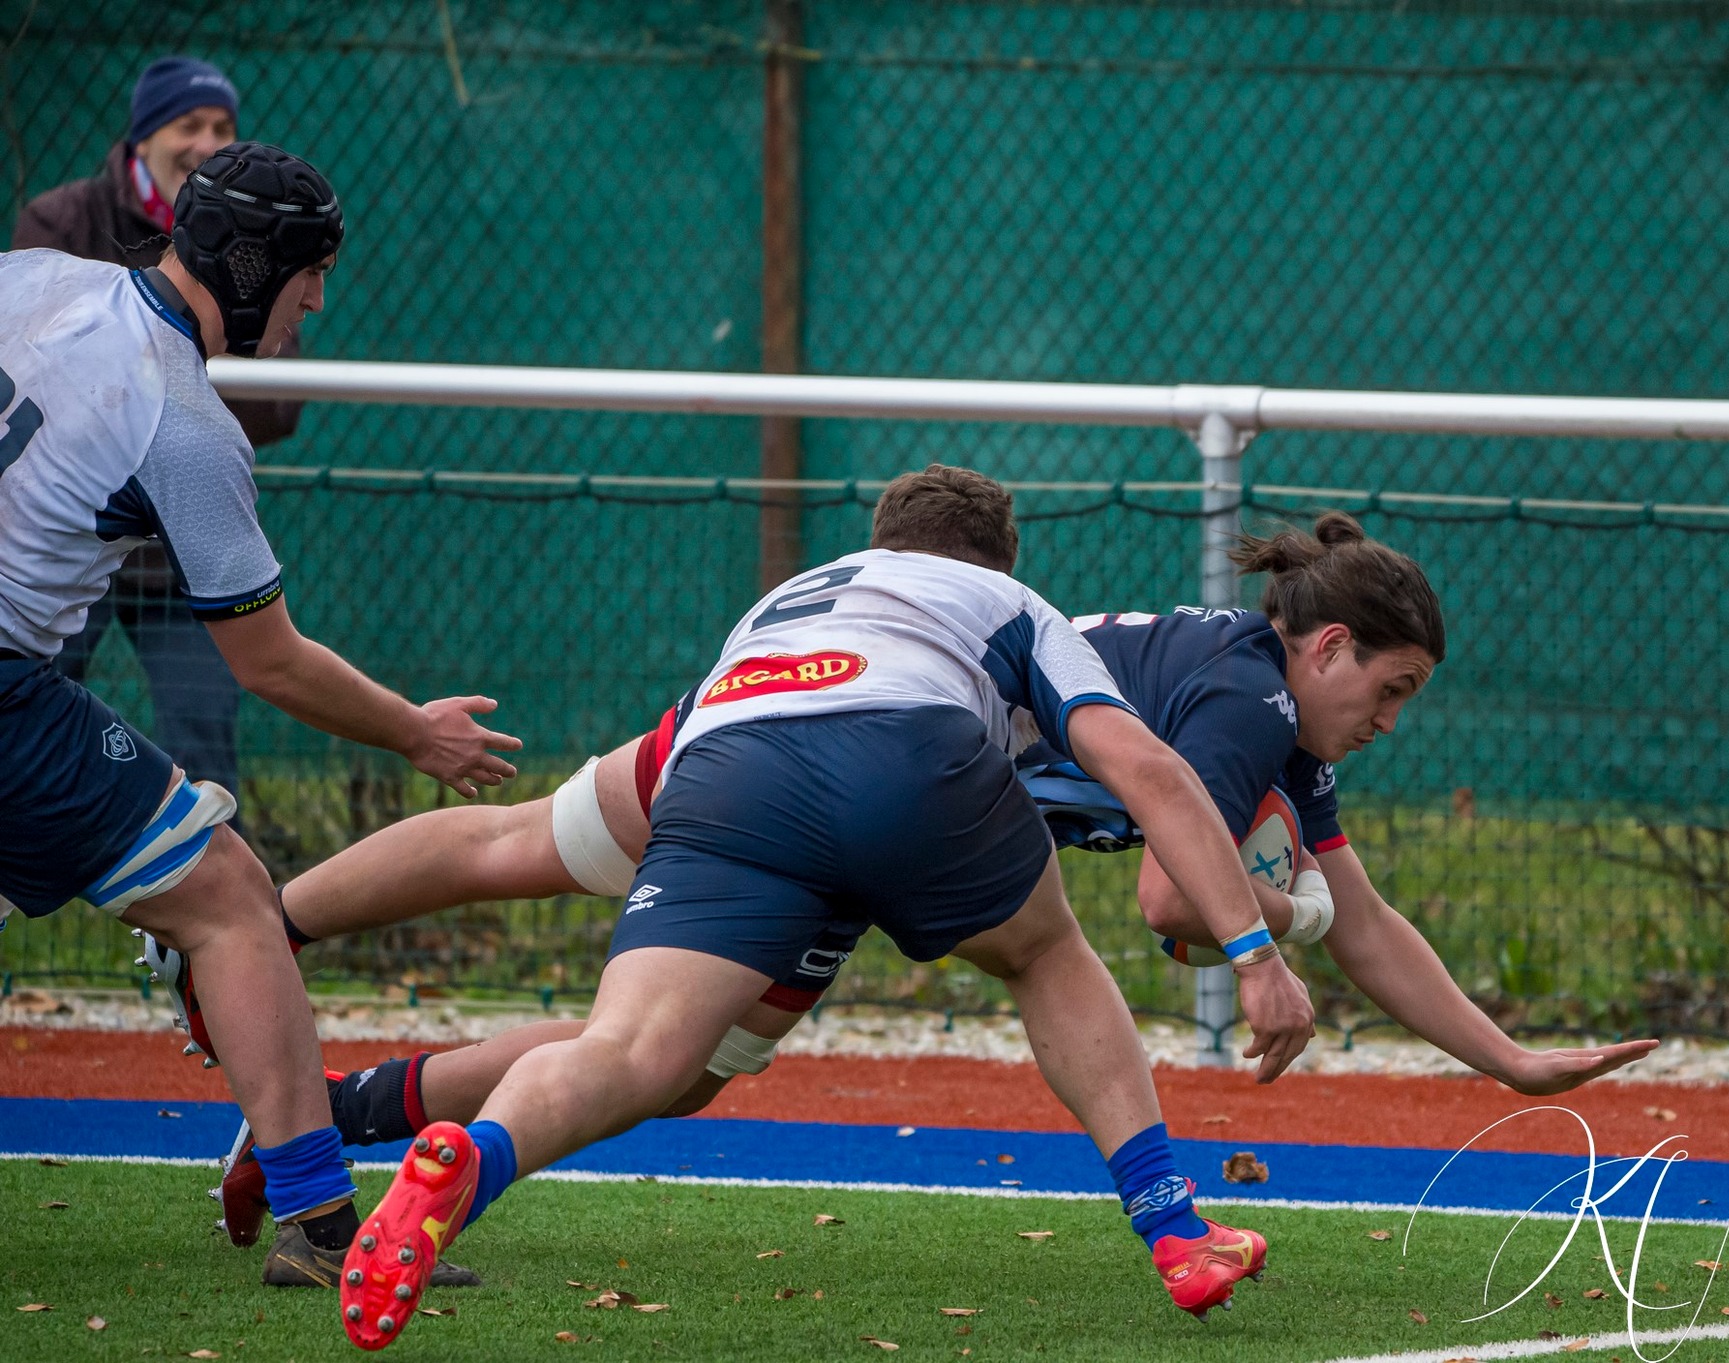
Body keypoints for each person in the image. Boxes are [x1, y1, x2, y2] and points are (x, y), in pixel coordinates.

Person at [204, 515, 1656, 1249]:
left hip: (751, 726)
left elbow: (1374, 918)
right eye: (1389, 690)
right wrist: (1290, 917)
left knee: (524, 854)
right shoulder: (1247, 701)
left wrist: (1511, 1060)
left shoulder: (1249, 703)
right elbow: (1171, 897)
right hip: (889, 783)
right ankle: (292, 1028)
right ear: (1325, 648)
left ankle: (279, 986)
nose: (1387, 723)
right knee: (673, 1059)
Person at [334, 465, 1315, 1348]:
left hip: (722, 770)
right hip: (906, 751)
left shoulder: (780, 604)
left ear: (880, 543)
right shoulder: (1009, 600)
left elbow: (714, 752)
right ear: (996, 558)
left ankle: (479, 1156)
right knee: (1043, 951)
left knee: (632, 1052)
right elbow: (1142, 764)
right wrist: (1254, 956)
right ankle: (1175, 1228)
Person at [0, 141, 517, 1289]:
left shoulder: (28, 277)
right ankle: (323, 1228)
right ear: (250, 265)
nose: (318, 301)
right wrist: (414, 731)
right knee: (232, 896)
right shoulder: (183, 421)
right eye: (310, 272)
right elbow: (270, 662)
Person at [13, 56, 303, 808]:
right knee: (29, 710)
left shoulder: (264, 249)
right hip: (64, 534)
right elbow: (63, 370)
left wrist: (219, 312)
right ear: (142, 138)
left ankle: (192, 908)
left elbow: (276, 405)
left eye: (223, 127)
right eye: (189, 124)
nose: (207, 140)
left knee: (205, 740)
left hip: (182, 546)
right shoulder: (61, 226)